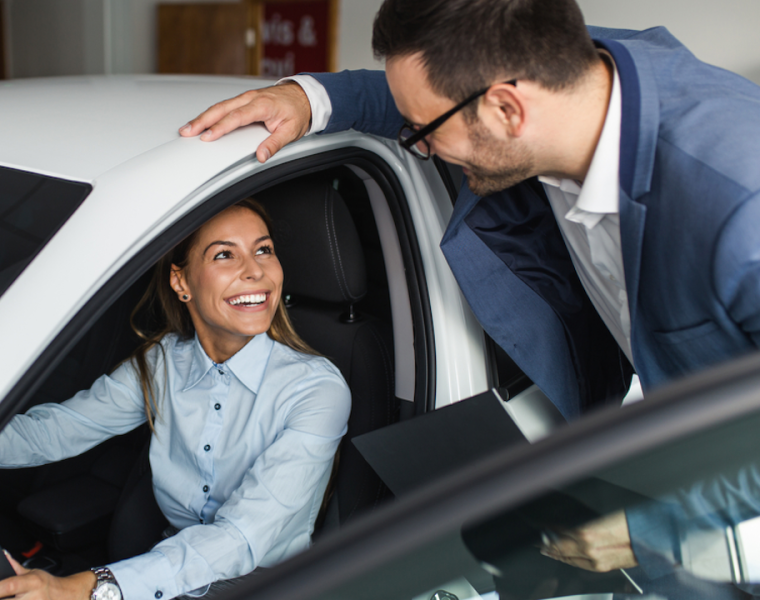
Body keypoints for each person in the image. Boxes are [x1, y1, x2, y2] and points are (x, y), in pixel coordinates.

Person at [179, 0, 760, 591]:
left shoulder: (740, 212)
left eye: (423, 134)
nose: (418, 147)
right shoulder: (570, 70)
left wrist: (657, 527)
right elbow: (423, 96)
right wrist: (311, 99)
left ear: (507, 109)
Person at [0, 200, 351, 600]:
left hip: (268, 585)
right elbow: (51, 432)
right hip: (160, 577)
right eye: (225, 255)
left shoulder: (315, 391)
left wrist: (84, 589)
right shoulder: (162, 362)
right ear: (182, 283)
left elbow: (238, 541)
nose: (254, 271)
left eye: (264, 251)